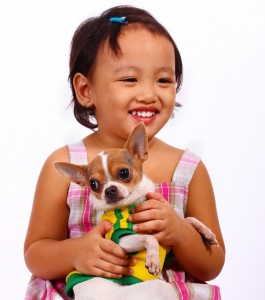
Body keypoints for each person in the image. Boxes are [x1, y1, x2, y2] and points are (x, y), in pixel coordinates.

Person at [24, 5, 225, 299]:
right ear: (85, 90)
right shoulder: (66, 163)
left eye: (164, 80)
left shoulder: (187, 168)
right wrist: (75, 253)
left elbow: (212, 264)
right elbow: (35, 252)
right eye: (130, 79)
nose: (148, 93)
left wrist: (180, 233)